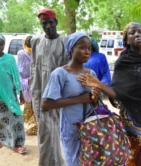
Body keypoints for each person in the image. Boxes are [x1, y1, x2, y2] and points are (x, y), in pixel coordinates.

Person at [78, 22, 141, 166]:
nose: (136, 34)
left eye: (140, 31)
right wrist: (98, 84)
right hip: (132, 117)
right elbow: (118, 93)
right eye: (132, 32)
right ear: (126, 39)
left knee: (136, 158)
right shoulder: (124, 62)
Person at [41, 32, 100, 166]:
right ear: (72, 49)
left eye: (89, 48)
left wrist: (94, 98)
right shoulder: (60, 73)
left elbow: (95, 104)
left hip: (91, 128)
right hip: (71, 129)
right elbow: (45, 104)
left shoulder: (91, 74)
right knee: (73, 162)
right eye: (82, 47)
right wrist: (79, 99)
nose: (87, 52)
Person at [29, 8, 68, 166]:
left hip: (57, 96)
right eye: (44, 24)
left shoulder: (64, 42)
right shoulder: (36, 41)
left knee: (54, 132)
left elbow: (67, 70)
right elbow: (33, 67)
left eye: (50, 23)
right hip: (38, 93)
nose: (47, 26)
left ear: (56, 22)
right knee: (45, 132)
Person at [0, 34, 27, 154]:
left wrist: (20, 92)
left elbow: (16, 75)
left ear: (4, 45)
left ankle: (17, 143)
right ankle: (1, 138)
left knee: (14, 119)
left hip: (10, 95)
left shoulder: (10, 58)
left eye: (0, 44)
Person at [17, 35, 38, 135]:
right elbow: (21, 71)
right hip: (27, 83)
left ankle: (35, 127)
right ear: (24, 42)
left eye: (32, 40)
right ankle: (30, 128)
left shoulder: (37, 52)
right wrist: (27, 80)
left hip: (37, 83)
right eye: (28, 40)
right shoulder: (22, 53)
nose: (30, 42)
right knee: (29, 106)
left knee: (37, 106)